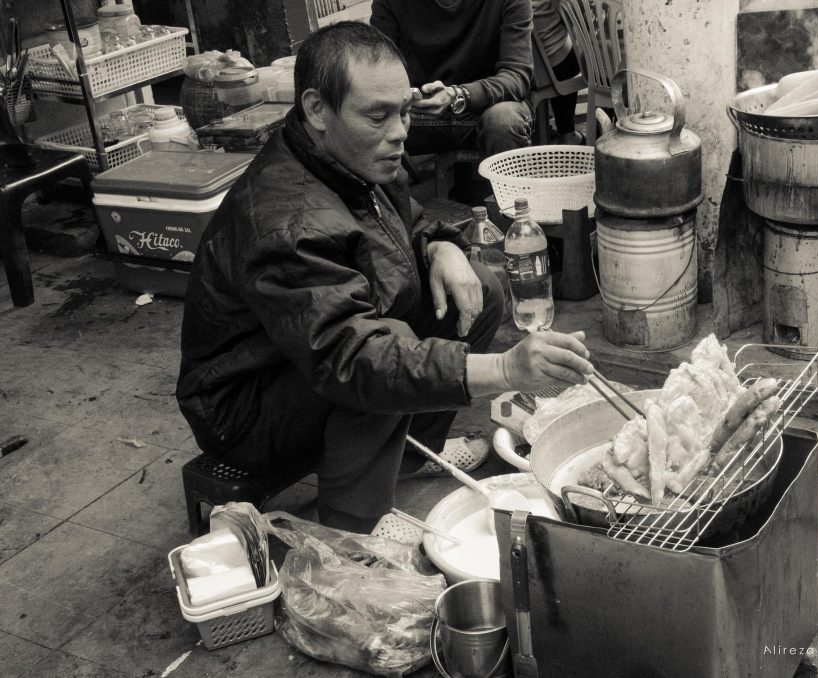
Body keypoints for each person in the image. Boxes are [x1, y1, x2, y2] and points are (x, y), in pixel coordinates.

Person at [176, 21, 593, 533]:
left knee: (477, 289)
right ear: (316, 110)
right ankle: (354, 528)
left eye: (404, 111)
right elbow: (353, 359)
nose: (399, 132)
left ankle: (416, 456)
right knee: (386, 356)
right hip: (245, 407)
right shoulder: (285, 219)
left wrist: (443, 246)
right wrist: (505, 370)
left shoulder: (357, 153)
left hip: (302, 356)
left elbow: (407, 224)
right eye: (378, 115)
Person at [369, 0, 534, 159]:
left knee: (502, 120)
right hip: (420, 116)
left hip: (487, 109)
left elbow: (516, 75)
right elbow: (376, 72)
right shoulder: (390, 3)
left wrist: (459, 95)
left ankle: (512, 187)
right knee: (361, 124)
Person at [532, 0, 585, 144]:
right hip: (558, 65)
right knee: (572, 47)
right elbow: (574, 14)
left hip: (525, 67)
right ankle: (568, 134)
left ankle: (556, 128)